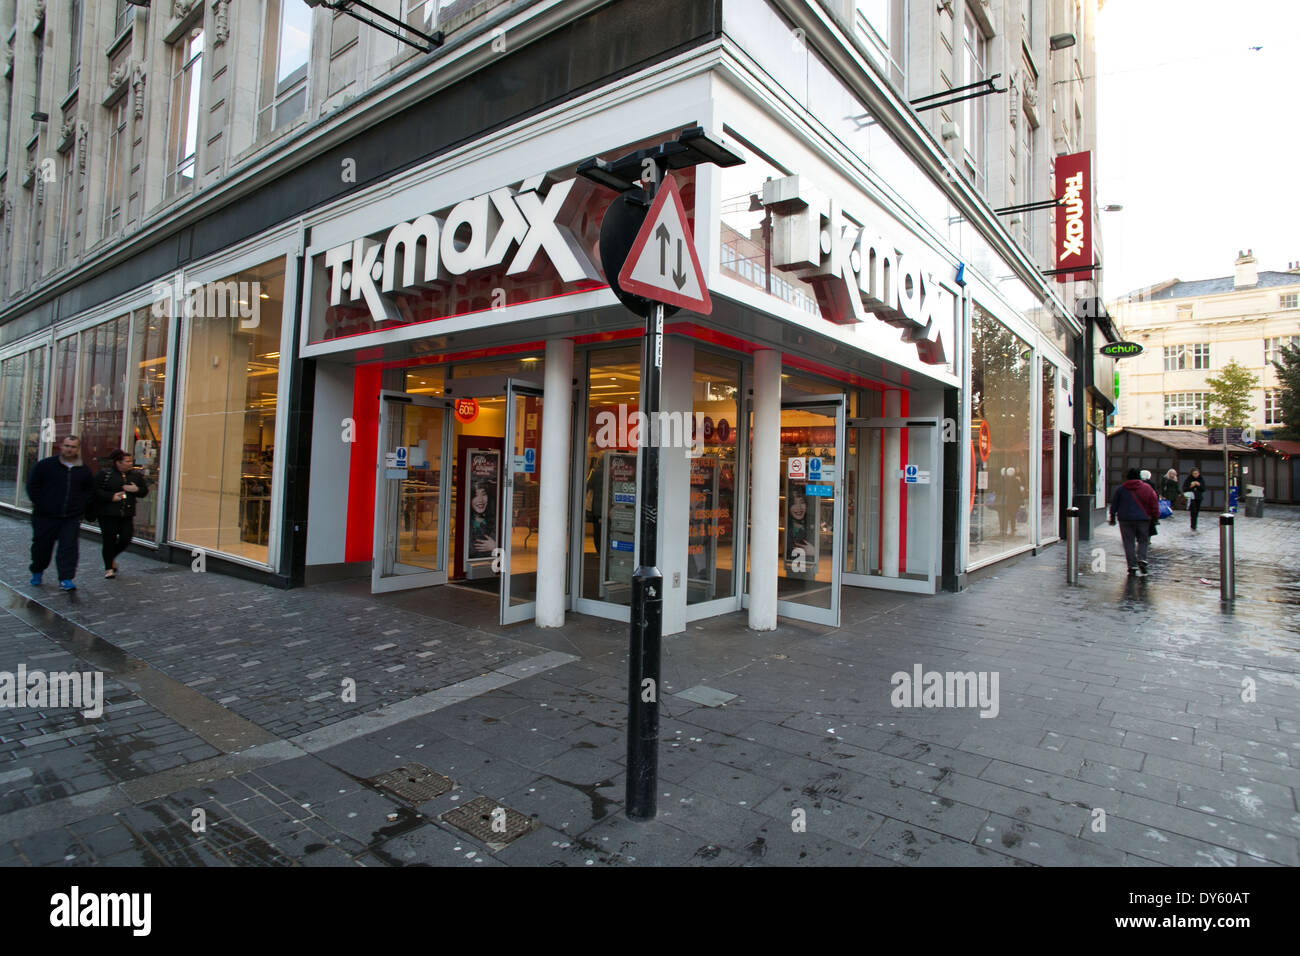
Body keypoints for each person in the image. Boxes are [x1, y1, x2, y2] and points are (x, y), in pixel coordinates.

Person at [26, 435, 96, 591]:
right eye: (67, 446)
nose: (69, 449)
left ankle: (66, 578)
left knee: (69, 547)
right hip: (45, 516)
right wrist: (42, 504)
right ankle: (37, 571)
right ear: (61, 446)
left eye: (73, 447)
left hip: (70, 517)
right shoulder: (45, 465)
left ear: (77, 449)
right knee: (42, 546)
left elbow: (89, 491)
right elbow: (33, 486)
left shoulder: (83, 470)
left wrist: (80, 507)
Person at [95, 449, 149, 579]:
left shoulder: (135, 476)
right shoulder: (105, 474)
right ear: (118, 463)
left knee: (126, 538)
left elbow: (144, 491)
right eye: (127, 461)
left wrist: (136, 490)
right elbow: (95, 491)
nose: (130, 463)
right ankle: (108, 568)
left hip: (127, 514)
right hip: (108, 513)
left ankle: (110, 556)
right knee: (109, 540)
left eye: (131, 461)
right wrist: (111, 497)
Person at [1110, 467, 1160, 577]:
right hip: (1143, 519)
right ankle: (1142, 559)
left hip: (1125, 519)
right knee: (1143, 540)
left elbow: (1114, 504)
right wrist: (1155, 517)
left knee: (1128, 542)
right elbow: (1154, 503)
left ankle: (1131, 565)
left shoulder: (1121, 489)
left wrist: (1112, 516)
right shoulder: (1147, 488)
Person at [469, 479, 497, 555]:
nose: (481, 500)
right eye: (476, 495)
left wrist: (495, 546)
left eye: (484, 494)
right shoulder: (465, 520)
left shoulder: (496, 520)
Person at [999, 466, 1026, 536]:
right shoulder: (1016, 480)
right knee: (1012, 515)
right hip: (1014, 501)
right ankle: (1012, 528)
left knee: (1006, 515)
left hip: (1007, 501)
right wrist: (1022, 501)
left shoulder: (1005, 480)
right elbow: (1019, 491)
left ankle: (1004, 529)